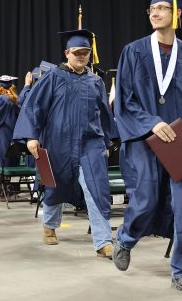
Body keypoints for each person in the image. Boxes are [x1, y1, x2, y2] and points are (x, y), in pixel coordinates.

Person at [112, 0, 182, 296]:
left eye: (162, 8)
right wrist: (151, 123)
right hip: (144, 138)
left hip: (180, 139)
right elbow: (124, 100)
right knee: (146, 199)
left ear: (177, 14)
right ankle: (125, 239)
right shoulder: (135, 51)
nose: (155, 13)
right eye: (152, 9)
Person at [13, 29, 117, 258]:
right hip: (59, 143)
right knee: (55, 186)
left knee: (96, 188)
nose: (81, 56)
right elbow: (35, 107)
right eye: (77, 52)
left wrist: (107, 142)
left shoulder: (95, 81)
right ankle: (49, 225)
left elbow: (105, 115)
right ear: (67, 53)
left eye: (85, 53)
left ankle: (103, 241)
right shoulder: (52, 77)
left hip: (91, 143)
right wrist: (32, 136)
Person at [0, 76, 20, 168]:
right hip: (11, 133)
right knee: (10, 159)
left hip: (1, 134)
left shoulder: (2, 99)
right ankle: (9, 181)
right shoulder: (14, 99)